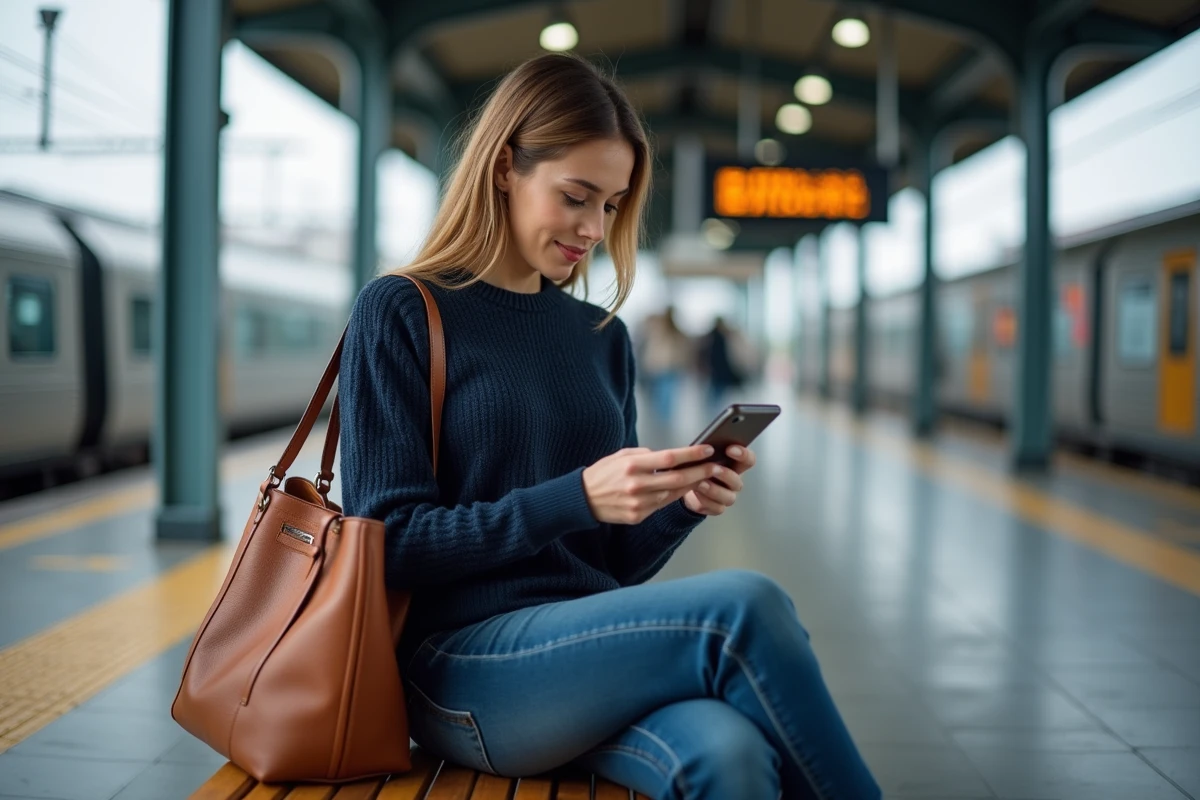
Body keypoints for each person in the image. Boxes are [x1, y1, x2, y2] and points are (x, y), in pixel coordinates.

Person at [338, 53, 880, 800]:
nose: (595, 228)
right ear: (504, 168)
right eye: (576, 196)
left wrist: (680, 506)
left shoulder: (601, 336)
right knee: (742, 609)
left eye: (614, 205)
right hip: (459, 670)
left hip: (583, 650)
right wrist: (576, 497)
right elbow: (387, 543)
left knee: (728, 755)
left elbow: (610, 565)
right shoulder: (401, 310)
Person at [636, 306, 693, 420]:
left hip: (664, 366)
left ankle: (662, 418)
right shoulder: (669, 331)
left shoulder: (665, 331)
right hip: (665, 366)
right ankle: (662, 418)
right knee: (664, 394)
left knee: (664, 394)